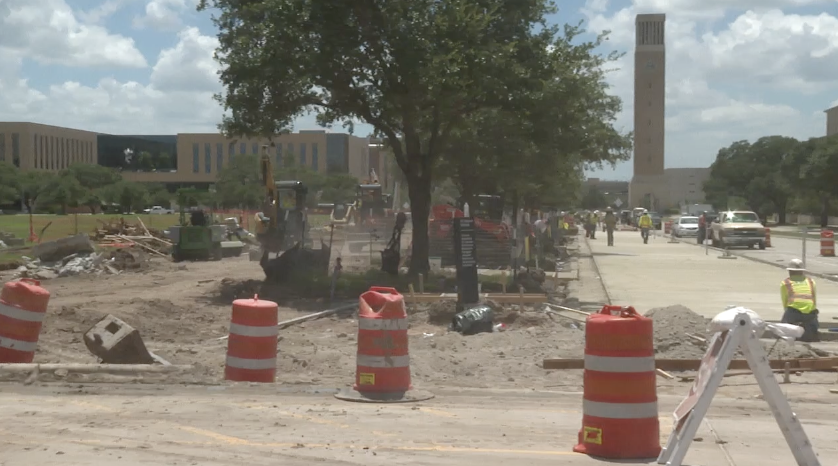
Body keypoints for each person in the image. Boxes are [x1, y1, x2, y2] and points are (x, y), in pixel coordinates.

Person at [780, 259, 820, 342]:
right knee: (812, 330)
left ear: (790, 271)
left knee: (783, 330)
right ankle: (812, 334)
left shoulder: (785, 283)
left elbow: (785, 302)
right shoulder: (811, 282)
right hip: (810, 313)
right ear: (802, 271)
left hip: (793, 312)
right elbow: (814, 299)